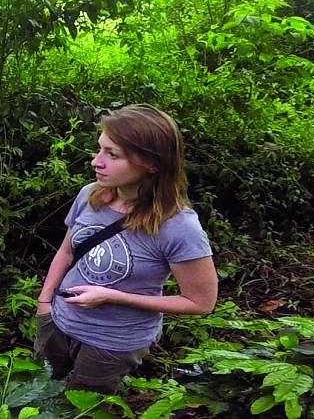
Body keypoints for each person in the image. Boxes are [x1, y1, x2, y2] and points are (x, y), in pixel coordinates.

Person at [33, 104, 218, 394]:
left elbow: (200, 302)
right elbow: (66, 251)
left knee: (79, 411)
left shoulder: (178, 227)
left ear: (152, 163)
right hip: (57, 322)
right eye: (99, 149)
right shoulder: (90, 195)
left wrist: (112, 297)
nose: (96, 162)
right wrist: (44, 305)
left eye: (112, 154)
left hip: (111, 344)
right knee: (39, 397)